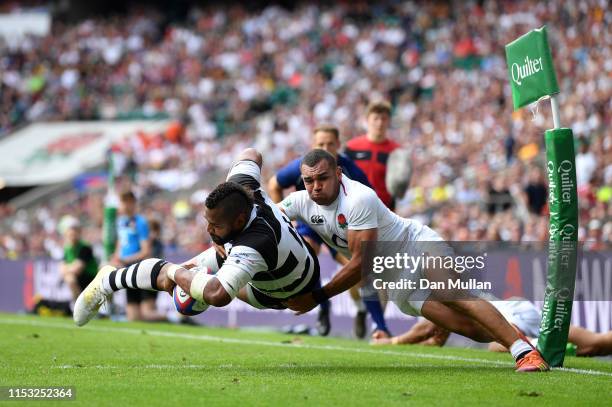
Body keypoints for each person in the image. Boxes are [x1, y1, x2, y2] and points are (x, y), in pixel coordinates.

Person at [278, 149, 549, 372]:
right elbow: (270, 219)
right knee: (466, 328)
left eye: (322, 178)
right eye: (308, 181)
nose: (315, 187)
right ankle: (529, 340)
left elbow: (362, 263)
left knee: (451, 292)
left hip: (415, 244)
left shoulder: (359, 198)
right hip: (395, 280)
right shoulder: (300, 202)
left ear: (338, 174)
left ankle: (525, 353)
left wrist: (317, 297)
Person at [73, 149, 324, 328]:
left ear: (238, 221)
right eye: (207, 221)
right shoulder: (244, 189)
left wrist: (175, 273)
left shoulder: (254, 243)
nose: (208, 230)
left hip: (275, 294)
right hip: (274, 267)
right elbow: (251, 153)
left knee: (187, 284)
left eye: (215, 225)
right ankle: (106, 281)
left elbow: (218, 296)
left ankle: (176, 271)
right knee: (182, 279)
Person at [268, 124, 389, 338]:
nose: (325, 147)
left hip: (340, 229)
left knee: (361, 272)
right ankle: (324, 310)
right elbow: (274, 183)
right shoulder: (302, 165)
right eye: (320, 144)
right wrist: (289, 224)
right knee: (306, 255)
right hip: (309, 223)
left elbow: (370, 202)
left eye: (330, 144)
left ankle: (375, 321)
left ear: (338, 145)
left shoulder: (352, 172)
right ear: (313, 145)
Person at [371, 299, 612, 357]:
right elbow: (434, 341)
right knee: (595, 344)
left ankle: (545, 348)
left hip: (511, 318)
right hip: (522, 309)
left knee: (497, 346)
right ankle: (560, 349)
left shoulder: (430, 299)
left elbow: (423, 332)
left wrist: (388, 342)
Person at [113, 190, 165, 322]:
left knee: (147, 314)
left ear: (131, 203)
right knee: (133, 318)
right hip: (127, 271)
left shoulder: (140, 222)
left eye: (123, 202)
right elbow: (120, 245)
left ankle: (175, 318)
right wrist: (115, 258)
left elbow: (145, 251)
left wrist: (125, 259)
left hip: (141, 271)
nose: (120, 206)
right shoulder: (121, 222)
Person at [345, 101, 400, 210]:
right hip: (355, 208)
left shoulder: (396, 151)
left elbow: (397, 186)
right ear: (367, 120)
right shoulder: (352, 147)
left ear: (389, 121)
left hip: (384, 210)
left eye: (383, 119)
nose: (379, 123)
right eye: (375, 118)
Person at [59, 217, 98, 302]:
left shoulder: (85, 247)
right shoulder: (67, 248)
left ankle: (82, 304)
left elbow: (78, 269)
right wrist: (69, 268)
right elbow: (61, 269)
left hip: (90, 279)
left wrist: (67, 268)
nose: (72, 234)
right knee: (69, 278)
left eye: (75, 231)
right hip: (79, 279)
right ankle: (77, 303)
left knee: (70, 278)